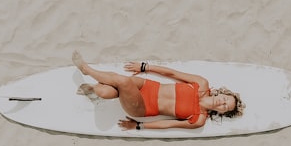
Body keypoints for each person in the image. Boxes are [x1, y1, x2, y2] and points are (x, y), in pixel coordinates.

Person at [72, 51, 244, 131]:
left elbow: (168, 124)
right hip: (147, 86)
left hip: (143, 107)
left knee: (122, 81)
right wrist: (145, 67)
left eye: (224, 107)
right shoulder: (202, 84)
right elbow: (173, 73)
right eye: (225, 99)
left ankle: (87, 70)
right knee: (112, 90)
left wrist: (138, 126)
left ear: (221, 112)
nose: (221, 103)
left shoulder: (199, 119)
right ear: (222, 93)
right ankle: (94, 90)